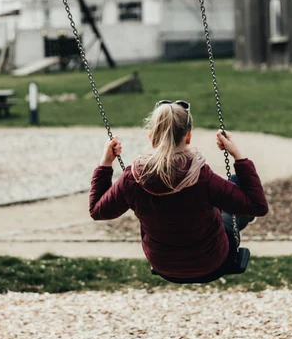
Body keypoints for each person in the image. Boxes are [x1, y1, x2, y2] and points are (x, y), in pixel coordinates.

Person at [89, 101, 268, 283]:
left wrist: (105, 164)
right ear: (188, 137)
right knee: (235, 188)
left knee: (216, 202)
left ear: (151, 137)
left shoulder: (132, 178)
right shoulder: (202, 176)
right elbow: (257, 205)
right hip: (213, 264)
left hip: (164, 266)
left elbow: (97, 210)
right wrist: (238, 156)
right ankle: (236, 213)